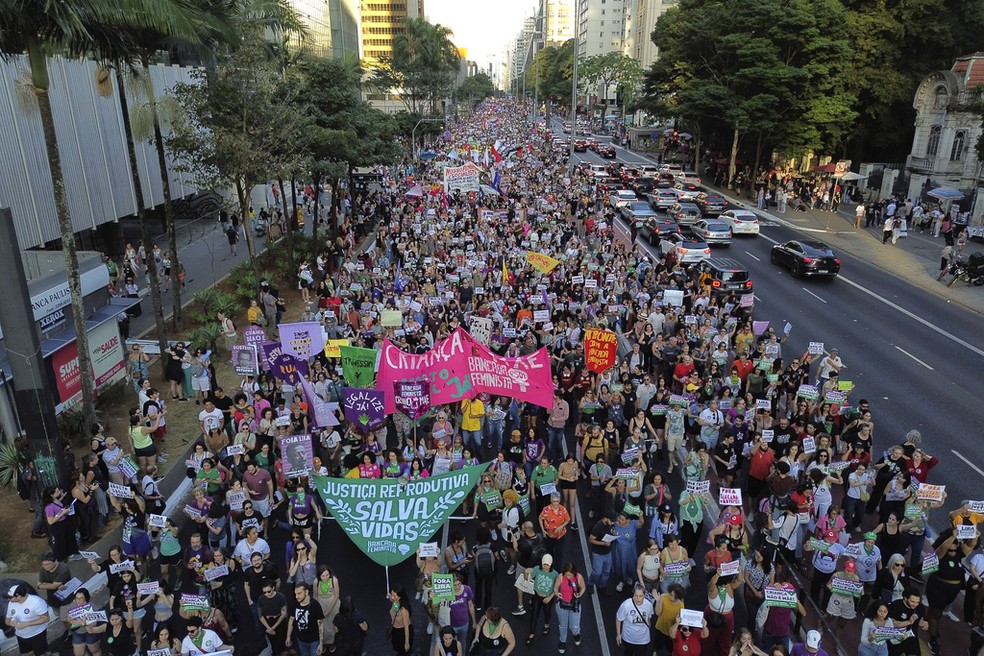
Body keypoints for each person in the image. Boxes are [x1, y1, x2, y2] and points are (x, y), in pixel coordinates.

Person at [6, 584, 51, 656]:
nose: (8, 599)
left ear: (19, 596)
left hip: (37, 634)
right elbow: (7, 620)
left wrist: (27, 624)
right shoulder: (11, 603)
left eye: (10, 597)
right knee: (30, 653)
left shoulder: (36, 602)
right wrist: (11, 623)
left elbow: (46, 618)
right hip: (21, 635)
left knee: (41, 653)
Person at [524, 553, 558, 647]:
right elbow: (527, 580)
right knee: (534, 615)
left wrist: (550, 597)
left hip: (547, 598)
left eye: (547, 564)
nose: (545, 566)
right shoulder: (537, 569)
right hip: (536, 596)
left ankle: (546, 624)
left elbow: (556, 588)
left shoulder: (555, 574)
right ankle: (532, 633)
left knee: (547, 613)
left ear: (551, 564)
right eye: (544, 564)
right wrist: (526, 573)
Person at [552, 562, 585, 654]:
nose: (568, 577)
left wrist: (580, 594)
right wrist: (557, 593)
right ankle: (562, 641)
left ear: (574, 572)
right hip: (562, 605)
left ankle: (576, 633)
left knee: (574, 625)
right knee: (563, 626)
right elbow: (555, 587)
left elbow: (583, 587)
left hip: (575, 605)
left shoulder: (578, 577)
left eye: (570, 575)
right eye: (566, 575)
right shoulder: (560, 577)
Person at [287, 583, 325, 656]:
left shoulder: (315, 605)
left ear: (306, 592)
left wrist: (321, 643)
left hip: (314, 640)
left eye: (299, 593)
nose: (296, 596)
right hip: (300, 639)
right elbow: (291, 619)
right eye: (295, 594)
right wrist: (288, 636)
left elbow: (320, 624)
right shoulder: (294, 604)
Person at [615, 585, 653, 656]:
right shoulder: (626, 605)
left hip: (643, 639)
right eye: (636, 595)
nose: (638, 598)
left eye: (641, 596)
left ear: (644, 595)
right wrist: (618, 634)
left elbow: (649, 618)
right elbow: (618, 618)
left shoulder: (648, 605)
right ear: (633, 595)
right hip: (628, 638)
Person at [387, 586, 413, 656]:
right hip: (395, 629)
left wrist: (406, 642)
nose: (392, 597)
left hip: (402, 632)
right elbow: (391, 600)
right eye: (392, 594)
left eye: (394, 596)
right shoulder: (395, 601)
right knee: (396, 646)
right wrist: (389, 596)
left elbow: (406, 627)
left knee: (403, 651)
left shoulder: (403, 610)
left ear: (400, 597)